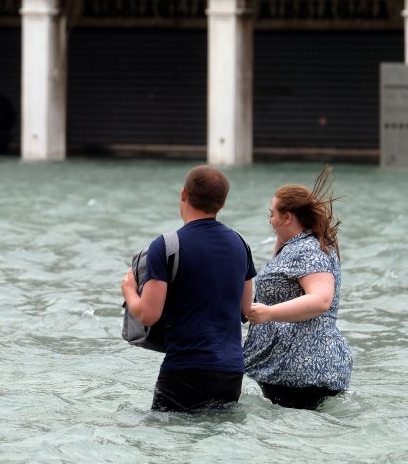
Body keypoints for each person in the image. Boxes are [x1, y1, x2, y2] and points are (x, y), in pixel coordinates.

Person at [121, 165, 256, 412]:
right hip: (231, 371)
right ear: (222, 203)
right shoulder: (240, 244)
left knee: (164, 441)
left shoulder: (166, 245)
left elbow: (149, 314)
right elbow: (246, 310)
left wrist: (129, 290)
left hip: (185, 368)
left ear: (183, 194)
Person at [243, 165, 353, 410]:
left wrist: (268, 313)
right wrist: (281, 234)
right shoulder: (303, 244)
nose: (269, 220)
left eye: (272, 214)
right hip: (300, 369)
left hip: (303, 370)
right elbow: (281, 271)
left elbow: (321, 300)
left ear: (288, 217)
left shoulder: (307, 250)